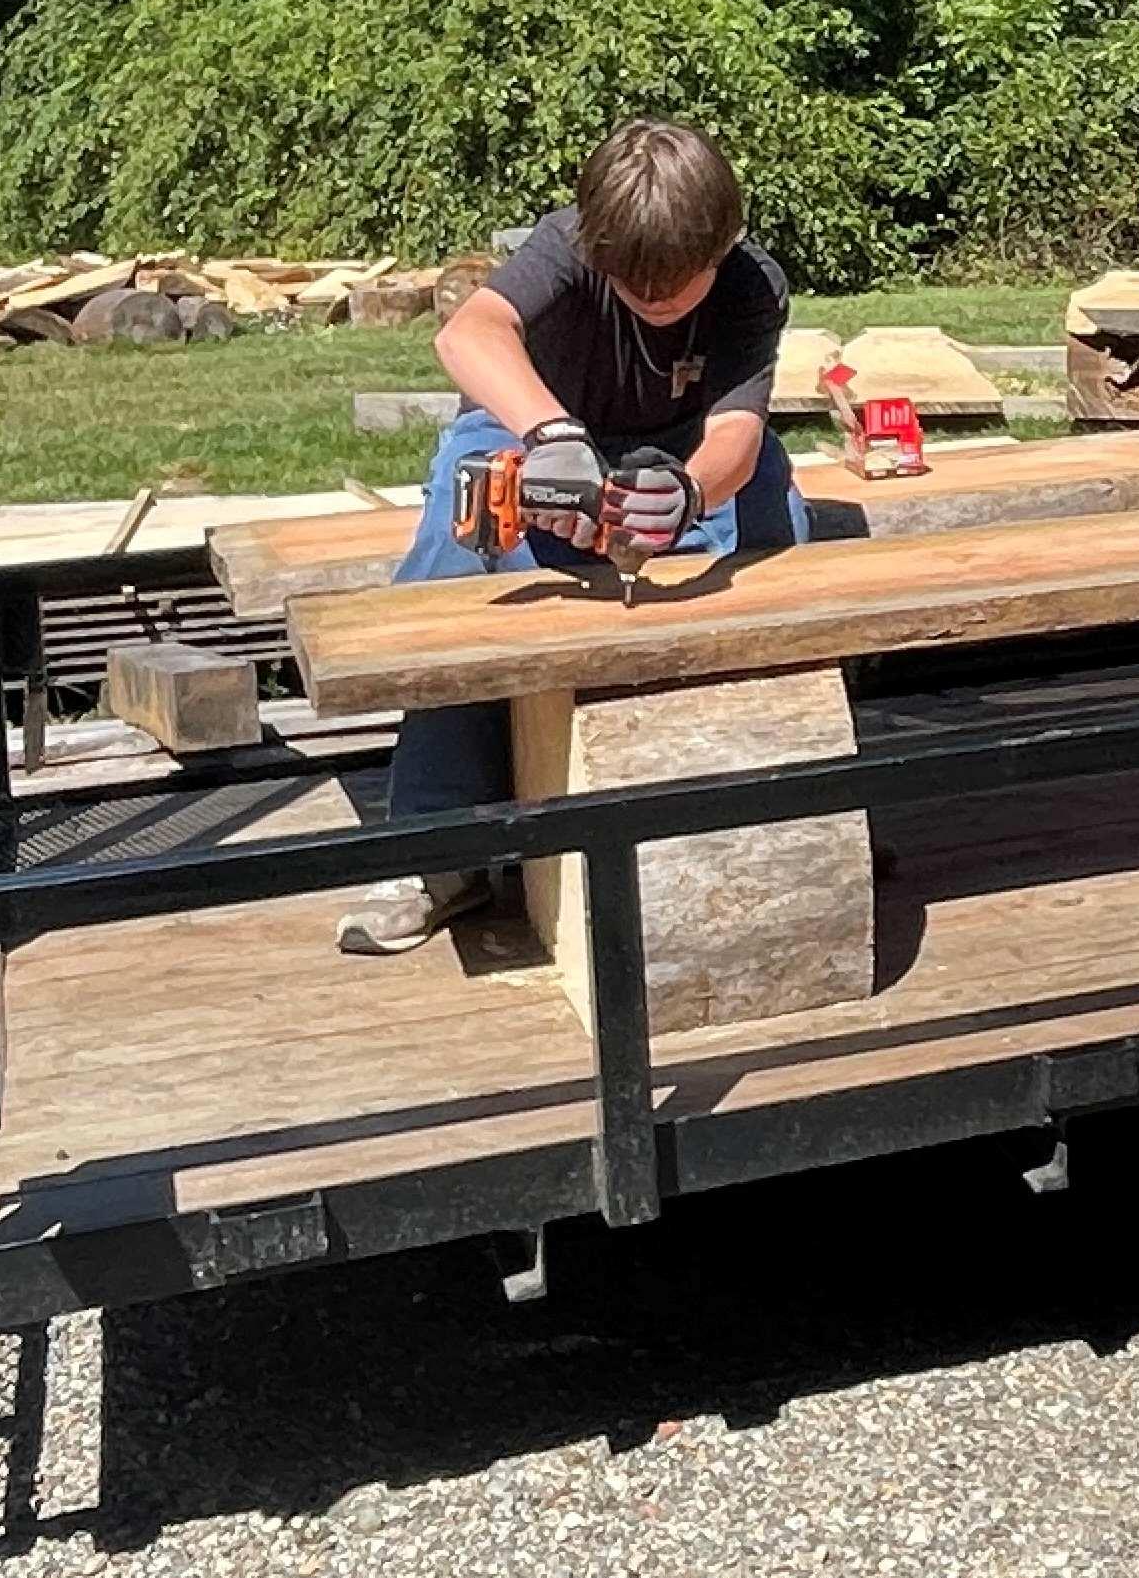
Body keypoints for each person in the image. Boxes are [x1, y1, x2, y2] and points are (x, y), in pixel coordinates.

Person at [336, 118, 804, 957]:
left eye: (678, 287)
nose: (658, 304)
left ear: (721, 244)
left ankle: (790, 803)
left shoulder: (750, 284)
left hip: (678, 454)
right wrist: (551, 438)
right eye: (634, 287)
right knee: (467, 535)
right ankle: (438, 850)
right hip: (530, 431)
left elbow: (736, 431)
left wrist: (690, 493)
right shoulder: (563, 244)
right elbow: (468, 333)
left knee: (771, 512)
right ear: (596, 246)